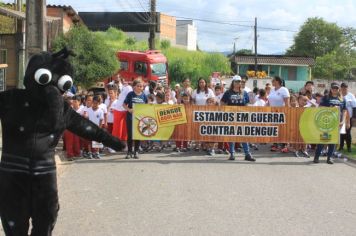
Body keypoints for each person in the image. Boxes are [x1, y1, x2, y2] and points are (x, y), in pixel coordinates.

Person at [314, 82, 349, 164]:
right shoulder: (326, 97)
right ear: (331, 89)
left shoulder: (342, 99)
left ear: (338, 89)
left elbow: (344, 111)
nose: (335, 89)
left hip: (336, 123)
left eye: (336, 88)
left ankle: (329, 158)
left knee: (333, 141)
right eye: (333, 88)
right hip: (326, 122)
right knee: (323, 140)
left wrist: (343, 121)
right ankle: (316, 157)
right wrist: (331, 108)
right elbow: (320, 107)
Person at [220, 79, 255, 161]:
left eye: (239, 82)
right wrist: (226, 111)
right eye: (236, 81)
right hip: (230, 116)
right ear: (233, 82)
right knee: (232, 135)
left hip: (242, 117)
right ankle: (232, 154)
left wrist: (247, 115)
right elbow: (222, 103)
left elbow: (246, 104)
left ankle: (247, 154)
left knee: (243, 135)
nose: (238, 83)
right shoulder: (228, 92)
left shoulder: (244, 92)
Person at [123, 78, 148, 159]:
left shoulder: (144, 95)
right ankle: (129, 151)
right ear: (134, 86)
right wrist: (129, 110)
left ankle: (136, 151)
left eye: (141, 86)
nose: (140, 87)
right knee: (130, 135)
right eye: (138, 86)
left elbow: (147, 105)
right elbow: (124, 104)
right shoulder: (130, 94)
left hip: (139, 118)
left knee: (138, 134)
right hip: (130, 117)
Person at [267, 76, 290, 152]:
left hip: (282, 113)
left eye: (273, 80)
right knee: (274, 129)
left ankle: (284, 145)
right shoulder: (272, 90)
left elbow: (287, 103)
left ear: (277, 81)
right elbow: (269, 101)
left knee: (283, 129)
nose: (272, 82)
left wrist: (287, 113)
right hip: (272, 113)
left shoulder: (284, 89)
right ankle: (275, 144)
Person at [339, 82, 356, 152]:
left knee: (348, 132)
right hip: (340, 117)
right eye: (343, 88)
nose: (344, 90)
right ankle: (341, 146)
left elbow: (354, 107)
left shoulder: (351, 96)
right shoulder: (338, 96)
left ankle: (349, 147)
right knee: (341, 133)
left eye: (345, 88)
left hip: (349, 118)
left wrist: (354, 117)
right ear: (341, 88)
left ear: (347, 88)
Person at [105, 84, 119, 153]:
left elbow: (120, 110)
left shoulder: (118, 101)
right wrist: (110, 104)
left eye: (111, 93)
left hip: (115, 120)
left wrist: (115, 111)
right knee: (109, 134)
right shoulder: (106, 100)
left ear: (115, 93)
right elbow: (105, 110)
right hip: (108, 120)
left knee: (115, 134)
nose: (110, 94)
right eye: (109, 93)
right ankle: (109, 146)